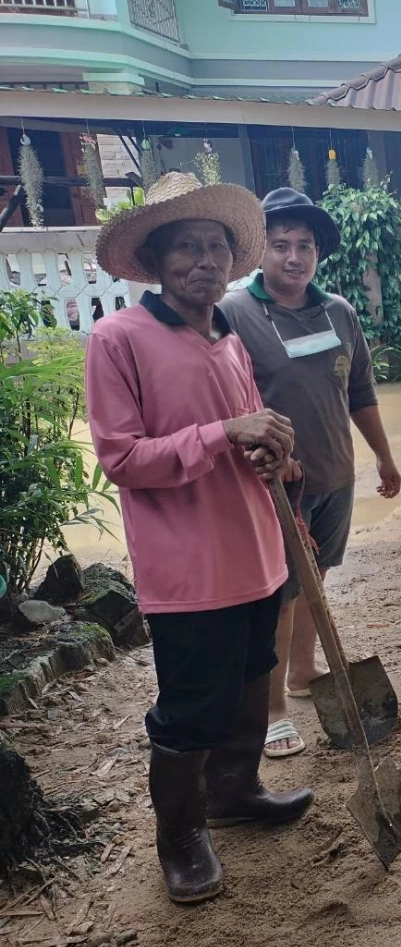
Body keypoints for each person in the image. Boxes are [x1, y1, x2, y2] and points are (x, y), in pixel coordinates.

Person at [85, 172, 314, 904]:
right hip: (189, 569)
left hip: (257, 550)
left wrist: (275, 453)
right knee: (190, 708)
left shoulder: (228, 338)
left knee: (252, 678)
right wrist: (224, 433)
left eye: (216, 246)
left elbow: (244, 434)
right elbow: (122, 459)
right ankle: (181, 839)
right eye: (187, 246)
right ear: (154, 260)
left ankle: (234, 790)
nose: (205, 261)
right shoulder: (118, 339)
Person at [220, 187, 401, 758]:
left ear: (318, 253)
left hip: (334, 475)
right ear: (260, 251)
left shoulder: (338, 311)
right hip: (272, 485)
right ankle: (273, 709)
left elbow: (359, 390)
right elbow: (222, 401)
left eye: (305, 246)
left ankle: (302, 672)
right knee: (279, 594)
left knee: (313, 581)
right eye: (281, 245)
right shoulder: (233, 313)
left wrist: (383, 455)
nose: (294, 258)